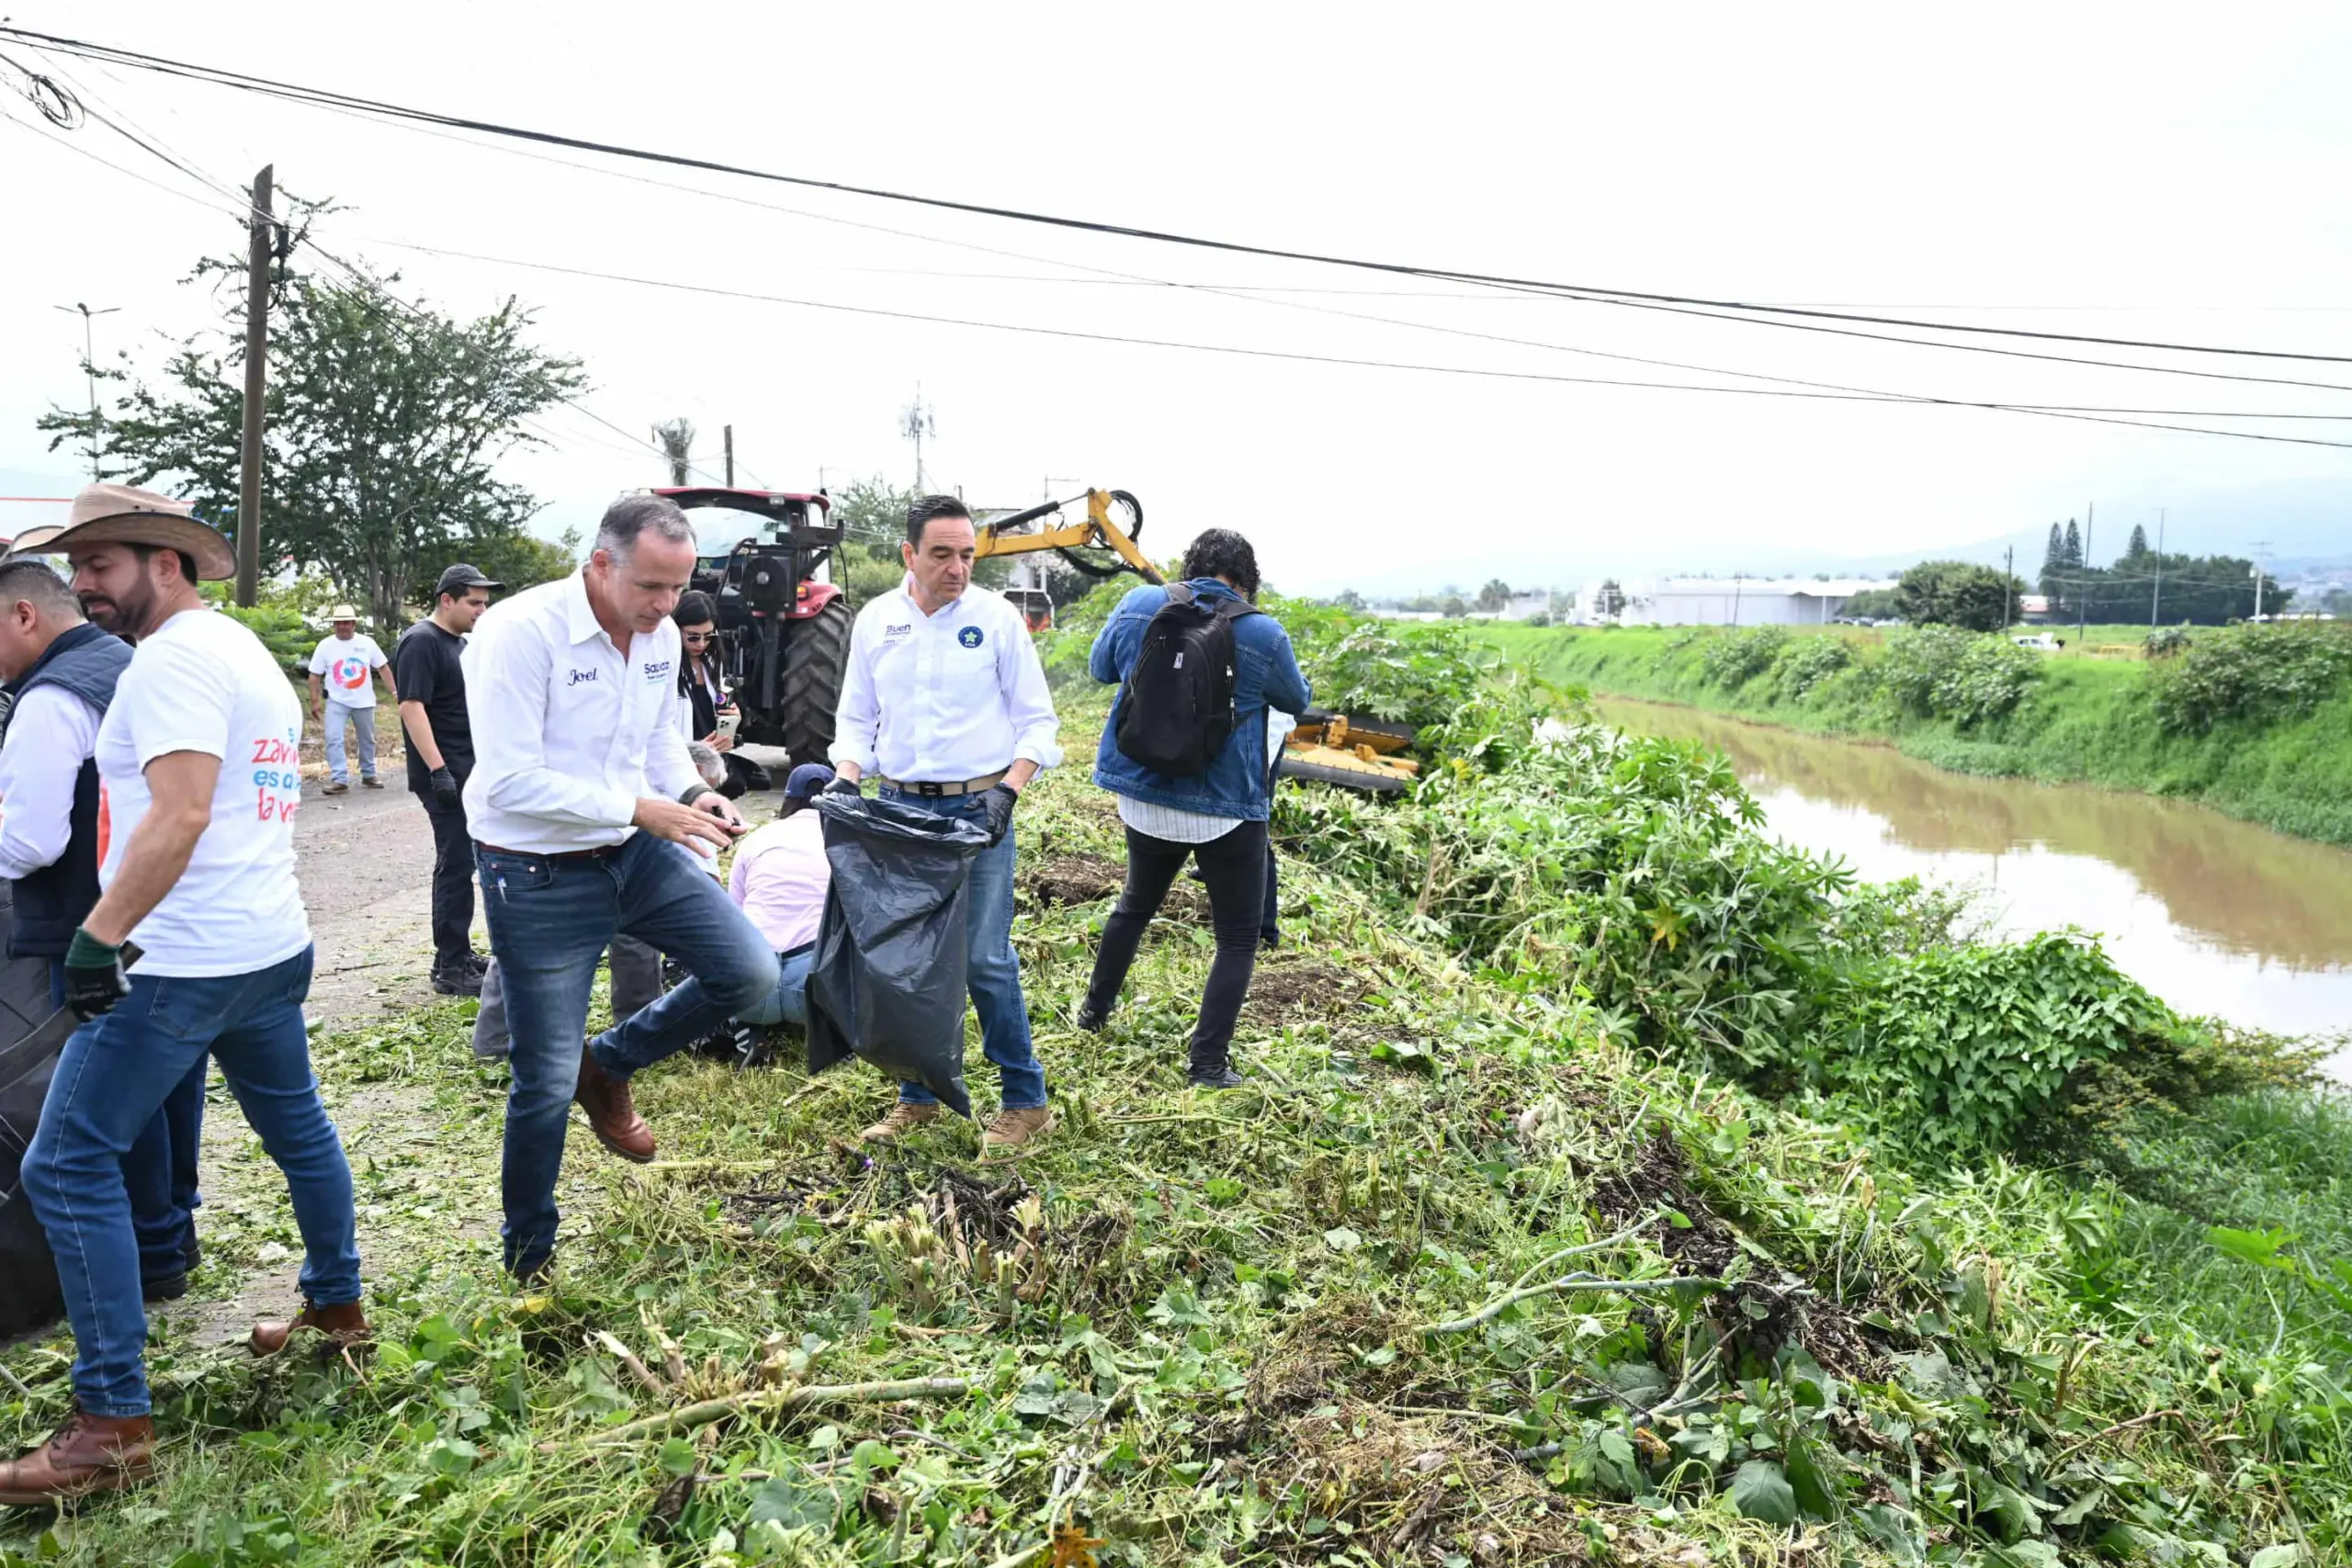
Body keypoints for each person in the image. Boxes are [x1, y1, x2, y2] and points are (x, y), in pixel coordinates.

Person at [0, 487, 363, 1505]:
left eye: (101, 564)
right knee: (300, 1130)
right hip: (266, 942)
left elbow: (183, 811)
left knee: (67, 1165)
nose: (83, 585)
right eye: (77, 569)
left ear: (165, 561)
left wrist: (96, 937)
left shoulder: (168, 664)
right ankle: (340, 1313)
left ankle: (111, 1420)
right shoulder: (241, 649)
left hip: (181, 962)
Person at [461, 492, 775, 1280]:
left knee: (751, 970)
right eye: (651, 587)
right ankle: (528, 1256)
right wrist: (639, 807)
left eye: (678, 588)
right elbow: (507, 781)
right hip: (534, 870)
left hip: (630, 847)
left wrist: (692, 790)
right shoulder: (519, 633)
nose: (667, 606)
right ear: (601, 563)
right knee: (539, 1082)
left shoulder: (661, 634)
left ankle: (608, 1064)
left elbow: (658, 738)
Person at [0, 548, 205, 1303]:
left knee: (108, 1095)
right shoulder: (126, 661)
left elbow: (30, 840)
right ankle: (173, 1229)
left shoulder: (50, 697)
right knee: (170, 1077)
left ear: (24, 615)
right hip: (159, 913)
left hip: (88, 922)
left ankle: (147, 1255)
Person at [830, 495, 1061, 1149]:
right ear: (909, 554)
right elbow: (855, 718)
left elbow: (1037, 722)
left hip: (978, 810)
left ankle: (1026, 1099)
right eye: (942, 554)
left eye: (967, 554)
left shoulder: (996, 621)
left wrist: (1007, 793)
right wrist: (847, 776)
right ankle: (917, 1094)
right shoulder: (877, 621)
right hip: (901, 811)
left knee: (985, 956)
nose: (958, 567)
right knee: (911, 958)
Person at [1077, 528, 1309, 1089]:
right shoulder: (1263, 632)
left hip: (1141, 796)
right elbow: (1296, 701)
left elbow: (1100, 669)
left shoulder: (1138, 604)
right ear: (1247, 583)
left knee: (1134, 905)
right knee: (1235, 936)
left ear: (1190, 567)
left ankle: (1091, 1017)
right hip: (1225, 809)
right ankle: (1207, 1065)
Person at [392, 564, 501, 996]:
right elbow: (411, 707)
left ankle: (457, 952)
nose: (481, 610)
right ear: (447, 599)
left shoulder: (460, 644)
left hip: (467, 768)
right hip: (445, 772)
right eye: (474, 602)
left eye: (485, 604)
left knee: (466, 863)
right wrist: (438, 770)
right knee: (454, 865)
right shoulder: (422, 641)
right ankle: (450, 967)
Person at [728, 762, 835, 1031]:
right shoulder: (845, 847)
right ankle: (833, 1034)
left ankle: (746, 1029)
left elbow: (732, 915)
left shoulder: (756, 839)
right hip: (812, 990)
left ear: (788, 798)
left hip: (751, 986)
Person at [673, 592, 763, 799]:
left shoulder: (713, 664)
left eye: (708, 636)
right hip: (681, 761)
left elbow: (722, 708)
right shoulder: (666, 668)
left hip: (712, 758)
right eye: (693, 636)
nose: (701, 643)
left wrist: (733, 719)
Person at [306, 604, 395, 795]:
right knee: (333, 737)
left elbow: (383, 668)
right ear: (334, 625)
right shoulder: (325, 646)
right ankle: (339, 779)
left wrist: (395, 692)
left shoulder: (367, 643)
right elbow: (314, 675)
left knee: (367, 739)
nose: (343, 626)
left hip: (364, 701)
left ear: (353, 624)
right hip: (337, 700)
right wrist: (314, 701)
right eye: (339, 623)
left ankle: (369, 774)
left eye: (346, 623)